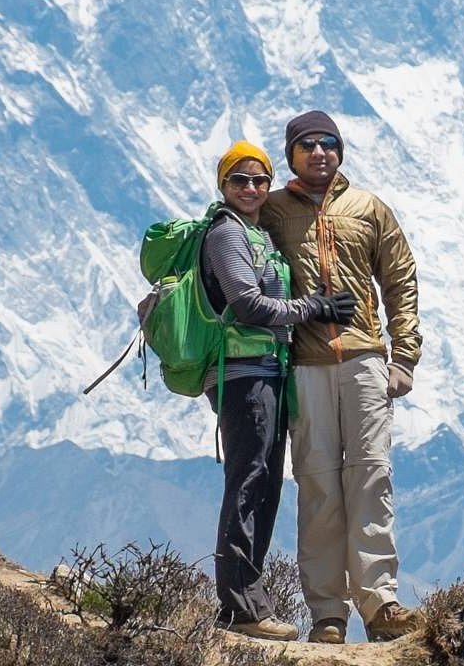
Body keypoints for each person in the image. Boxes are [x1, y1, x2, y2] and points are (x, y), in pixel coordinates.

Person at [260, 111, 423, 645]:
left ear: (341, 150)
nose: (319, 153)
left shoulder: (369, 208)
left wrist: (405, 359)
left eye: (328, 143)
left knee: (371, 478)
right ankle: (327, 614)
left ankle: (382, 605)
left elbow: (400, 279)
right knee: (318, 486)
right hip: (304, 366)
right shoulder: (272, 210)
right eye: (306, 145)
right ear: (291, 154)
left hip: (365, 362)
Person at [201, 140, 356, 642]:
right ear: (223, 185)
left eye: (259, 180)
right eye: (239, 180)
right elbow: (247, 304)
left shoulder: (255, 232)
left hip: (267, 371)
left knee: (264, 483)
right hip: (243, 373)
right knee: (249, 481)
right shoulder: (227, 233)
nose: (250, 189)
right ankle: (240, 607)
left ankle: (249, 602)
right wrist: (314, 308)